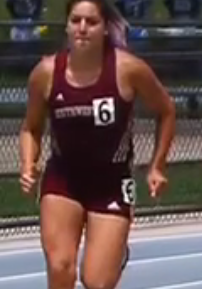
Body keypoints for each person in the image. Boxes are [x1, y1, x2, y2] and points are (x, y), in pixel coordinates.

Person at [18, 0, 176, 288]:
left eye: (91, 22)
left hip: (111, 181)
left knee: (96, 281)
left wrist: (157, 166)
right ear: (66, 25)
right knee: (60, 267)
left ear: (105, 28)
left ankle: (116, 255)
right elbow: (31, 127)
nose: (82, 28)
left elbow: (166, 111)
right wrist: (28, 164)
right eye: (76, 20)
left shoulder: (128, 69)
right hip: (63, 177)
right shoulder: (46, 73)